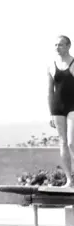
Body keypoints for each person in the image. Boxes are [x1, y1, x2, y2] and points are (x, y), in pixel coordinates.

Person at [47, 35, 74, 188]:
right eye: (56, 45)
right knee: (63, 143)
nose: (57, 47)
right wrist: (50, 112)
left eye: (61, 45)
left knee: (71, 143)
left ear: (68, 46)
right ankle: (69, 180)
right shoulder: (51, 65)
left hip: (73, 106)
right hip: (58, 107)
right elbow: (49, 91)